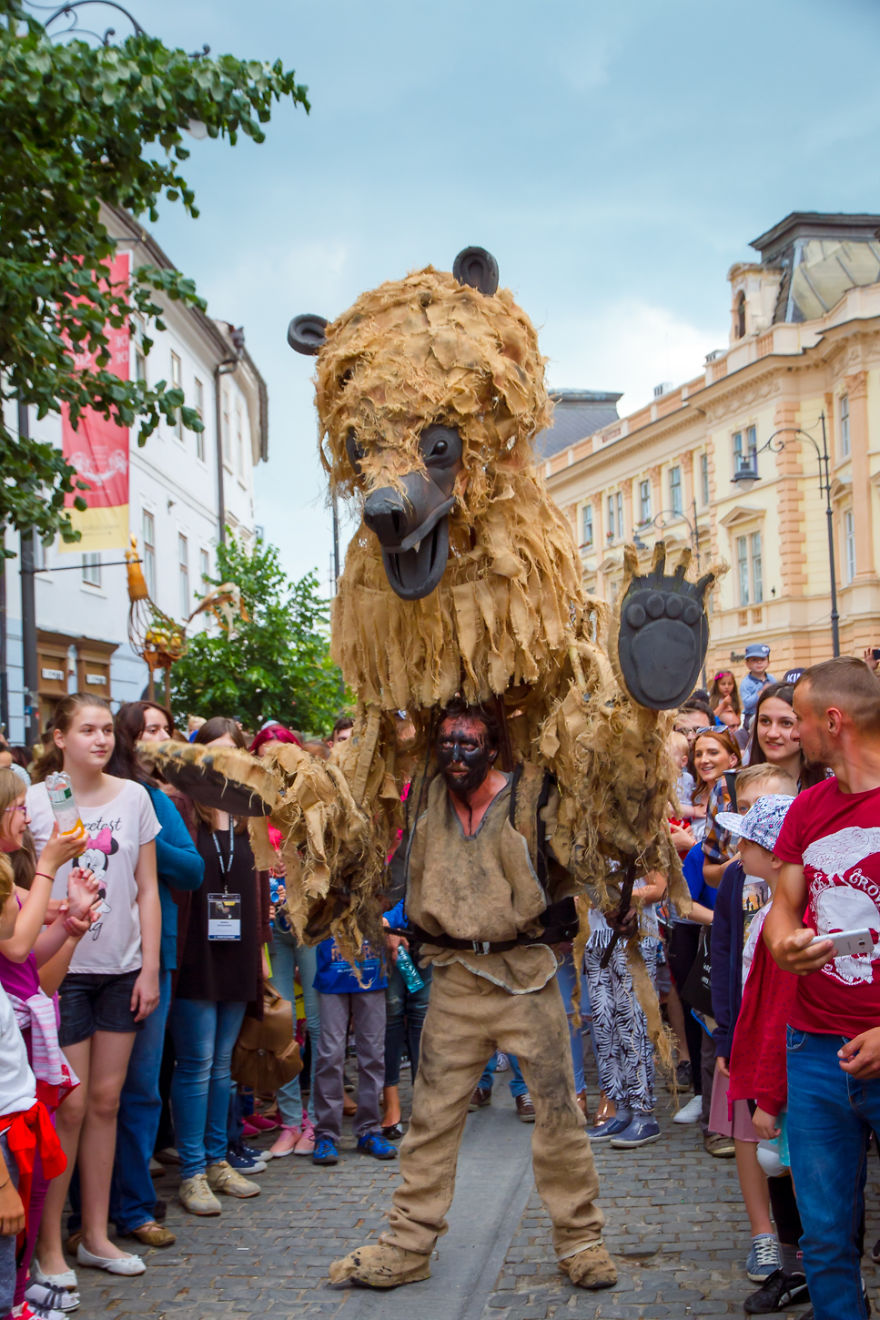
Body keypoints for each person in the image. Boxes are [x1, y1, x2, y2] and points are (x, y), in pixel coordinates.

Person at [330, 700, 618, 1292]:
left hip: (528, 979)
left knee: (560, 1114)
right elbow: (390, 866)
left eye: (469, 744)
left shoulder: (532, 798)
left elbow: (585, 854)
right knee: (430, 1119)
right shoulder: (423, 800)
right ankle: (408, 1244)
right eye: (447, 744)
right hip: (455, 982)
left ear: (493, 748)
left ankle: (581, 1240)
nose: (455, 755)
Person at [28, 694, 161, 1284]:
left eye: (108, 730)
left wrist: (151, 966)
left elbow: (147, 889)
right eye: (87, 730)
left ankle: (98, 1237)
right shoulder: (39, 800)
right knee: (71, 1106)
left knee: (107, 1102)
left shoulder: (133, 796)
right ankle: (49, 1246)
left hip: (122, 969)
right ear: (60, 738)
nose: (101, 739)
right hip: (62, 970)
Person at [764, 658, 880, 1320]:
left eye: (801, 720)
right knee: (826, 1238)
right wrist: (783, 940)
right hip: (814, 1049)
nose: (794, 733)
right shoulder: (809, 807)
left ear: (832, 723)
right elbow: (784, 902)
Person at [104, 702, 204, 1250]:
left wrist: (140, 837)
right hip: (87, 956)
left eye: (168, 729)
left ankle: (135, 1205)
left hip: (150, 957)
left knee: (141, 1088)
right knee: (91, 1096)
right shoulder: (83, 796)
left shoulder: (155, 799)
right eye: (152, 730)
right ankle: (84, 1213)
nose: (164, 737)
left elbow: (190, 869)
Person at [0, 768, 99, 1318]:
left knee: (35, 1168)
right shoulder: (17, 872)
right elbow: (17, 948)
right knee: (17, 1171)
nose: (27, 816)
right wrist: (47, 870)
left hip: (24, 1033)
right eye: (17, 806)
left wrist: (72, 924)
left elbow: (35, 962)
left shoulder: (11, 872)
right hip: (8, 1042)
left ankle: (17, 1289)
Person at [169, 718, 269, 1216]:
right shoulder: (183, 809)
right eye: (215, 752)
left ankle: (215, 1160)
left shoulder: (250, 814)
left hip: (238, 949)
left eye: (234, 752)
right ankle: (190, 1172)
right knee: (196, 1063)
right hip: (195, 951)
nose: (225, 762)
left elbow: (259, 889)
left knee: (223, 1067)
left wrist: (261, 955)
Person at [708, 768, 797, 1291]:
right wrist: (725, 1032)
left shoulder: (800, 892)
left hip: (783, 1045)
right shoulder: (739, 881)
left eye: (749, 839)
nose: (738, 849)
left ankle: (806, 1249)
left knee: (790, 1145)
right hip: (745, 1032)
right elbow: (723, 953)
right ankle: (768, 1236)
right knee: (751, 1135)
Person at [0, 854, 67, 1320]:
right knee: (6, 1230)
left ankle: (16, 1295)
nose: (20, 903)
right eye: (11, 897)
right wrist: (2, 1185)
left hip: (19, 1114)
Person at [310, 933, 397, 1166]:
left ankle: (369, 1130)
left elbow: (402, 900)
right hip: (332, 971)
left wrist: (389, 919)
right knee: (330, 1054)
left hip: (371, 970)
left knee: (373, 1055)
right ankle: (326, 1133)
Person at [740, 645, 776, 723]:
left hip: (770, 713)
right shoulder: (746, 683)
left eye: (763, 659)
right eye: (754, 660)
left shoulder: (772, 679)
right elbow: (747, 703)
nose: (759, 662)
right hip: (752, 716)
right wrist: (760, 693)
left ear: (768, 663)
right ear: (747, 664)